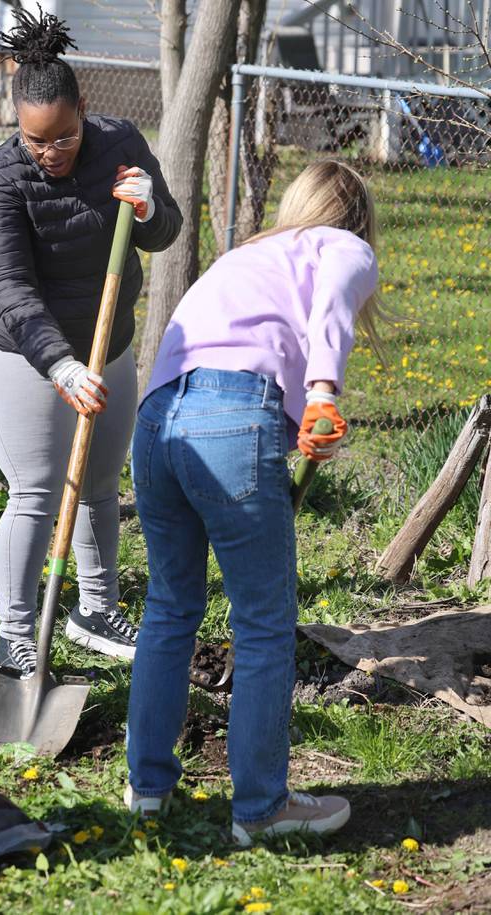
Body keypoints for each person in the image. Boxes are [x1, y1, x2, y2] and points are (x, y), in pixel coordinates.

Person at [125, 160, 381, 846]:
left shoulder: (248, 256)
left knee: (171, 605)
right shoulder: (343, 246)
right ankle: (262, 806)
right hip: (231, 414)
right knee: (265, 621)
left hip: (156, 419)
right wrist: (324, 390)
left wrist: (299, 417)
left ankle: (146, 789)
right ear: (355, 218)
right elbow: (329, 302)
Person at [0, 8, 182, 677]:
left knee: (96, 485)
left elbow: (164, 231)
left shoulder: (121, 143)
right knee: (36, 489)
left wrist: (147, 206)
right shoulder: (1, 179)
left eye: (63, 135)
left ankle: (94, 609)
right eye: (37, 141)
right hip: (21, 350)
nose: (51, 151)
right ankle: (15, 633)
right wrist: (58, 364)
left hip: (106, 338)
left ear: (84, 109)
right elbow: (7, 285)